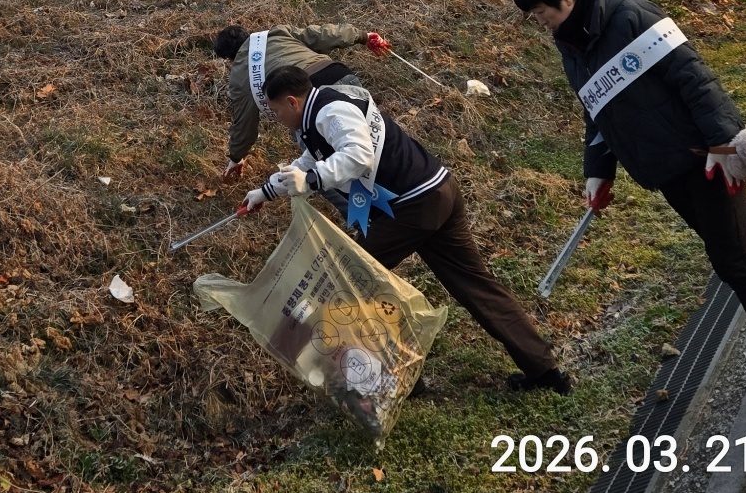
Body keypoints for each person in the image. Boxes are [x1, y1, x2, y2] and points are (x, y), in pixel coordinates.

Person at [510, 0, 746, 426]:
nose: (539, 22)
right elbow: (598, 109)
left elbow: (694, 77)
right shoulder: (572, 40)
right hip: (666, 166)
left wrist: (720, 142)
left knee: (738, 262)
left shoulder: (630, 14)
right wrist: (599, 170)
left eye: (540, 12)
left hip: (705, 159)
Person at [240, 62, 570, 394]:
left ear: (292, 101)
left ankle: (400, 380)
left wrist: (311, 179)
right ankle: (544, 370)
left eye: (275, 109)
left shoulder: (330, 112)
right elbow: (311, 161)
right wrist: (264, 192)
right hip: (437, 191)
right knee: (475, 285)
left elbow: (357, 156)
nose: (275, 118)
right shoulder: (320, 110)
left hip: (414, 205)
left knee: (346, 281)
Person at [213, 21, 390, 182]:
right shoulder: (276, 33)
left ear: (229, 58)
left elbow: (244, 124)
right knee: (378, 139)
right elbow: (321, 35)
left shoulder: (239, 76)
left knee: (330, 174)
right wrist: (362, 36)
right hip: (341, 77)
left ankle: (365, 210)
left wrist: (236, 157)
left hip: (307, 102)